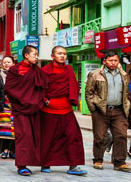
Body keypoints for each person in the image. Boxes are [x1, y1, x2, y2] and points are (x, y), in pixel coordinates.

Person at [39, 46, 87, 175]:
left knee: (72, 136)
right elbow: (39, 88)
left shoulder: (69, 69)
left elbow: (73, 86)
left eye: (64, 54)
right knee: (48, 138)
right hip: (49, 109)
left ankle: (73, 165)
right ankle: (46, 163)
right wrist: (45, 100)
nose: (62, 56)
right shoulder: (44, 70)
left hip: (66, 108)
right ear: (52, 56)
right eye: (59, 53)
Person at [85, 51, 131, 172]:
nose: (113, 63)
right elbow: (89, 93)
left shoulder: (124, 74)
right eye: (110, 60)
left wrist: (127, 106)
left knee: (121, 135)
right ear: (104, 61)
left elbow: (127, 92)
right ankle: (98, 160)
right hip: (101, 110)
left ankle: (119, 162)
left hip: (119, 110)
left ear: (118, 61)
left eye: (115, 60)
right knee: (100, 136)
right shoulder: (95, 74)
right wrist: (93, 109)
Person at [4, 46, 48, 176]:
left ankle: (37, 161)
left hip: (35, 108)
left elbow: (43, 87)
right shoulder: (14, 70)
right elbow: (10, 88)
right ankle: (21, 165)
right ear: (26, 55)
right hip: (20, 108)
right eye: (34, 54)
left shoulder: (37, 70)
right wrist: (24, 100)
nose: (37, 57)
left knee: (36, 135)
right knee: (24, 135)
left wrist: (42, 100)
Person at [0, 56, 16, 159]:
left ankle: (12, 150)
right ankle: (4, 150)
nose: (6, 64)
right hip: (4, 105)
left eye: (8, 62)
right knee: (5, 128)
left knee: (14, 128)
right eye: (4, 62)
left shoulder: (18, 75)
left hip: (15, 105)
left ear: (13, 63)